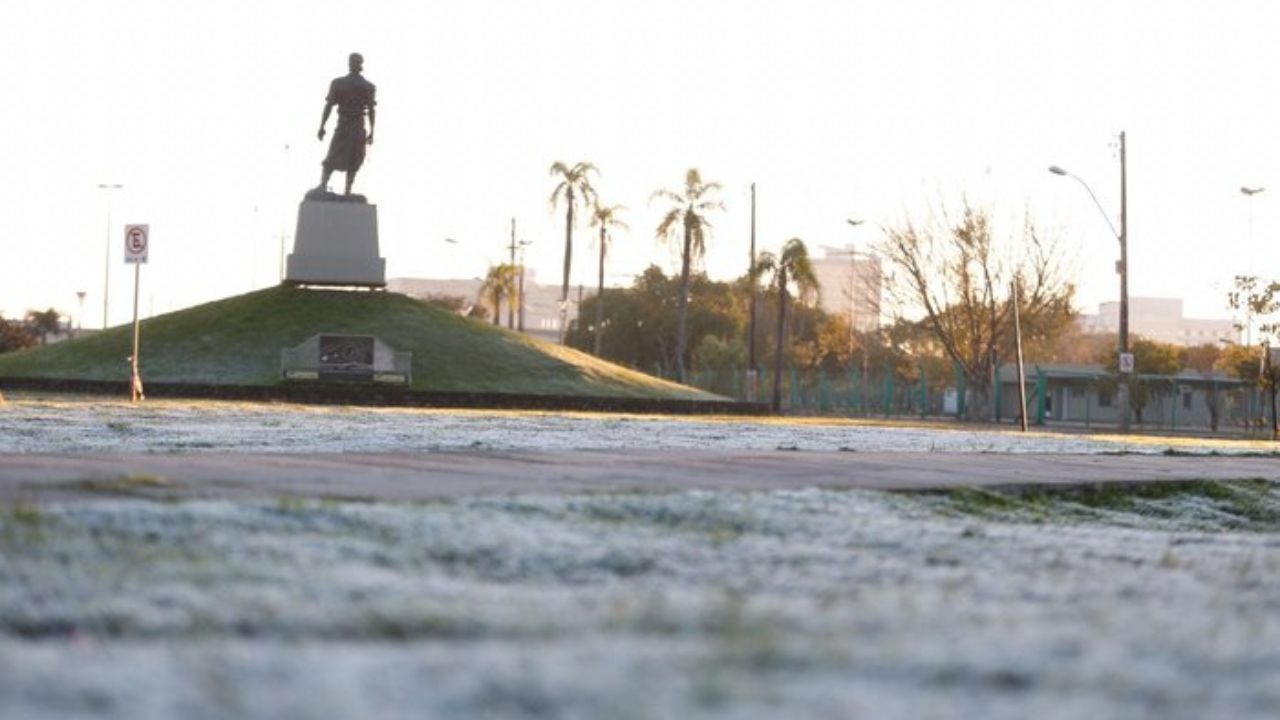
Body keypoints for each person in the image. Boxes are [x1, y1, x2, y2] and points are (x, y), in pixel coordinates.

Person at [316, 53, 377, 196]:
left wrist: (372, 131)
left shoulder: (366, 86)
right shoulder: (340, 83)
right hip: (345, 124)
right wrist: (322, 126)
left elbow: (371, 110)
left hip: (355, 125)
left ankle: (347, 190)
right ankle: (324, 184)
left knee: (354, 158)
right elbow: (329, 105)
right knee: (334, 155)